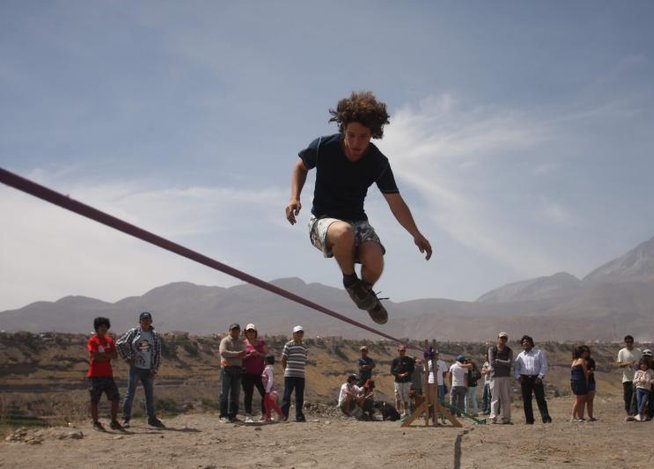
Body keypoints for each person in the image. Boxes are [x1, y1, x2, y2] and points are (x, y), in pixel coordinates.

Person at [285, 91, 433, 324]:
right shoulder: (325, 146)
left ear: (372, 134)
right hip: (322, 220)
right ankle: (350, 281)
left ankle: (365, 295)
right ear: (343, 129)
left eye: (363, 137)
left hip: (357, 221)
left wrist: (416, 234)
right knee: (344, 232)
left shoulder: (378, 162)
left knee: (375, 261)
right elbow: (300, 167)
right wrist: (295, 197)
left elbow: (395, 201)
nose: (356, 143)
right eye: (351, 135)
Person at [116, 311, 164, 428]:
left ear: (151, 321)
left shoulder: (155, 336)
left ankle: (151, 418)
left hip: (148, 369)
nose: (146, 322)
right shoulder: (134, 332)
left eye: (148, 320)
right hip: (136, 368)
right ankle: (126, 419)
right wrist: (127, 358)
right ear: (140, 321)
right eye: (144, 320)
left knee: (149, 395)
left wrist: (155, 369)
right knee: (130, 394)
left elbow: (157, 353)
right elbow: (119, 343)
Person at [87, 317, 123, 432]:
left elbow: (115, 355)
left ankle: (113, 421)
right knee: (95, 400)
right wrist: (107, 356)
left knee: (115, 397)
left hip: (108, 374)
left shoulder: (109, 341)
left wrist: (104, 356)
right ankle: (96, 422)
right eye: (101, 327)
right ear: (97, 328)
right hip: (95, 375)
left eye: (105, 327)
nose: (103, 329)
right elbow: (94, 355)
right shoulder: (93, 341)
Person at [514, 335, 552, 424]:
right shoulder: (520, 355)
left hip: (536, 378)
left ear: (531, 343)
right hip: (525, 379)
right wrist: (518, 377)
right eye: (523, 342)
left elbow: (544, 365)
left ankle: (546, 418)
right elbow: (516, 369)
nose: (525, 343)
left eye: (527, 341)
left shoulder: (538, 353)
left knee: (540, 399)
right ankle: (529, 420)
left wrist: (540, 376)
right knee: (526, 400)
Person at [218, 323, 246, 423]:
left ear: (239, 331)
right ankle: (223, 415)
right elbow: (223, 352)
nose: (235, 332)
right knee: (224, 393)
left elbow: (244, 354)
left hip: (238, 370)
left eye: (237, 330)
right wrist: (237, 354)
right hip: (226, 369)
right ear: (229, 330)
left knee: (235, 394)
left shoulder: (241, 342)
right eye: (233, 330)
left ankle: (232, 415)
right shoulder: (225, 341)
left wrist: (238, 355)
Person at [281, 325, 309, 422]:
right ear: (293, 334)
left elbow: (305, 359)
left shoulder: (304, 346)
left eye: (301, 332)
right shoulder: (288, 345)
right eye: (298, 332)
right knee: (287, 395)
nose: (300, 334)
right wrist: (286, 370)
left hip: (300, 375)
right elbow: (283, 359)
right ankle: (283, 415)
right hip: (290, 374)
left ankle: (299, 415)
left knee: (299, 396)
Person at [241, 323, 267, 423]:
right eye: (249, 331)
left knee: (264, 393)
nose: (251, 333)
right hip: (246, 373)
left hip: (259, 373)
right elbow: (240, 358)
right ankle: (248, 415)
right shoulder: (243, 344)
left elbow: (267, 356)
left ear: (255, 332)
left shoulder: (261, 343)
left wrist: (259, 354)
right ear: (246, 333)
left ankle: (264, 414)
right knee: (248, 394)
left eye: (252, 331)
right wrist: (249, 355)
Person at [488, 332, 513, 424]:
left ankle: (506, 418)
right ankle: (493, 417)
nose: (503, 340)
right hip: (495, 376)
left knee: (506, 398)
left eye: (504, 338)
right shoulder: (492, 349)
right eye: (501, 338)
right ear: (497, 338)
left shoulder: (509, 350)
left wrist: (498, 360)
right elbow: (492, 362)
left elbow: (510, 363)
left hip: (505, 376)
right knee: (494, 398)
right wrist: (503, 363)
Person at [616, 334, 641, 420]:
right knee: (627, 396)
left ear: (633, 342)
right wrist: (628, 364)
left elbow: (642, 363)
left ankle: (636, 412)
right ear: (625, 343)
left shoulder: (638, 351)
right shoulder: (622, 352)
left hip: (637, 378)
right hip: (627, 378)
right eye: (627, 342)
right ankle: (628, 412)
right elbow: (619, 364)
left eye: (630, 342)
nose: (629, 343)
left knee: (637, 395)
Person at [391, 344, 415, 417]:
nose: (402, 352)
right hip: (397, 381)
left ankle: (406, 411)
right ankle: (397, 411)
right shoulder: (395, 360)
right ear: (398, 351)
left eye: (404, 350)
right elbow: (392, 371)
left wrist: (406, 374)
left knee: (406, 397)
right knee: (397, 396)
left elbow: (412, 370)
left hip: (406, 381)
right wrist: (398, 375)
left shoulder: (410, 360)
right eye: (401, 350)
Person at [260, 354, 284, 423]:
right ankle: (269, 417)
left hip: (269, 390)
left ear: (266, 361)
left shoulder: (268, 369)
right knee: (268, 403)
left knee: (269, 403)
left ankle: (278, 415)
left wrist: (268, 389)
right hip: (269, 389)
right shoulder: (269, 368)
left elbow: (270, 379)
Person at [570, 345, 589, 422]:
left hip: (574, 381)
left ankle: (580, 416)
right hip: (580, 381)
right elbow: (585, 373)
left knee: (580, 399)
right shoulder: (582, 360)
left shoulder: (574, 361)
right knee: (579, 400)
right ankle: (573, 416)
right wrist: (587, 381)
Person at [583, 345, 597, 421]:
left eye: (587, 351)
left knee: (590, 400)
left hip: (591, 381)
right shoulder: (579, 360)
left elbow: (592, 370)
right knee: (581, 400)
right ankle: (580, 416)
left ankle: (590, 416)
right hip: (581, 382)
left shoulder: (591, 361)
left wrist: (586, 373)